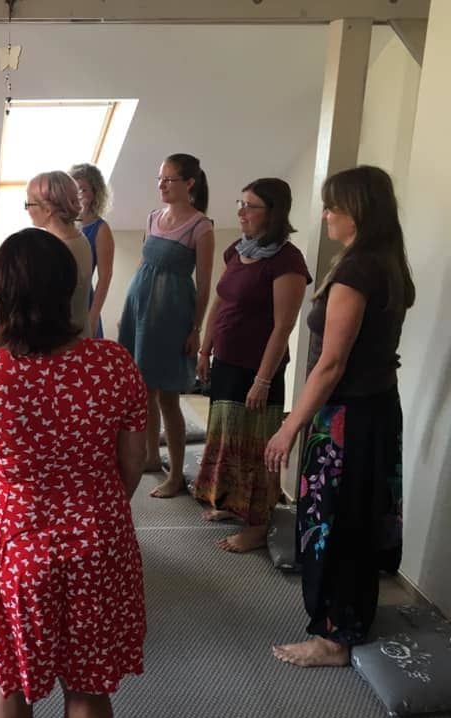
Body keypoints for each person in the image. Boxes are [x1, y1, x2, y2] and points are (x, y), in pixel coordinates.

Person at [0, 228, 147, 718]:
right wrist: (97, 504)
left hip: (13, 546)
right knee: (88, 690)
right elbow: (133, 463)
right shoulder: (114, 364)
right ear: (69, 287)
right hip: (98, 539)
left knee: (11, 687)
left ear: (0, 293)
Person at [265, 166, 413, 667]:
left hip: (347, 419)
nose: (326, 214)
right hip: (376, 411)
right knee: (356, 519)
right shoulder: (386, 262)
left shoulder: (357, 272)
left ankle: (334, 638)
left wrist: (289, 426)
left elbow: (330, 364)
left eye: (334, 206)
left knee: (335, 523)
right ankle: (347, 621)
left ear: (359, 211)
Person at [192, 179, 310, 552]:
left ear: (273, 213)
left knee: (255, 447)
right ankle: (231, 503)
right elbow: (221, 301)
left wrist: (262, 379)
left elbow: (283, 326)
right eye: (240, 203)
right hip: (226, 362)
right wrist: (205, 349)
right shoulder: (237, 250)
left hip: (256, 369)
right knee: (227, 439)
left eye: (251, 206)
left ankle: (257, 526)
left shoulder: (287, 261)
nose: (241, 212)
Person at [118, 153, 215, 498]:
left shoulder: (201, 227)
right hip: (140, 313)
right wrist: (129, 309)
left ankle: (175, 475)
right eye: (159, 178)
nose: (161, 185)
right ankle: (150, 458)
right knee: (143, 392)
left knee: (169, 398)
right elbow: (144, 265)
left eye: (169, 179)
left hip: (172, 318)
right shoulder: (153, 217)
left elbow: (204, 286)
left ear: (189, 183)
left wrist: (196, 329)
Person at [25, 171, 93, 338]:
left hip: (62, 344)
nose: (27, 209)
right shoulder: (79, 238)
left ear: (48, 209)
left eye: (29, 204)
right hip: (79, 336)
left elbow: (33, 300)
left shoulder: (58, 250)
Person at [70, 163, 115, 338]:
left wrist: (93, 315)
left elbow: (105, 277)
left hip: (83, 301)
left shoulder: (101, 229)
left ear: (95, 192)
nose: (78, 194)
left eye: (83, 189)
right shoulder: (63, 222)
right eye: (75, 189)